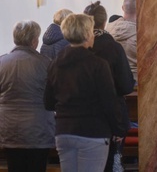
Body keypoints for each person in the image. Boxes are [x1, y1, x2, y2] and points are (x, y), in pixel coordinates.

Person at [44, 14, 126, 172]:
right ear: (88, 33)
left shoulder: (55, 64)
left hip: (64, 131)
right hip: (92, 131)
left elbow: (48, 102)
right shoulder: (97, 65)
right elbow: (109, 101)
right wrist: (118, 129)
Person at [84, 1, 135, 172]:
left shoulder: (76, 48)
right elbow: (126, 85)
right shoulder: (113, 48)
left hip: (81, 117)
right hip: (110, 116)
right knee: (109, 164)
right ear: (104, 21)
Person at [0, 20, 55, 172]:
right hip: (38, 128)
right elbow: (54, 95)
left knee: (14, 166)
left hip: (9, 127)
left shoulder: (2, 62)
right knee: (37, 166)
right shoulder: (46, 64)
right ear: (33, 41)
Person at [106, 0, 138, 81]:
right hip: (137, 78)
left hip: (115, 78)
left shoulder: (109, 28)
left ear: (122, 8)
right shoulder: (141, 32)